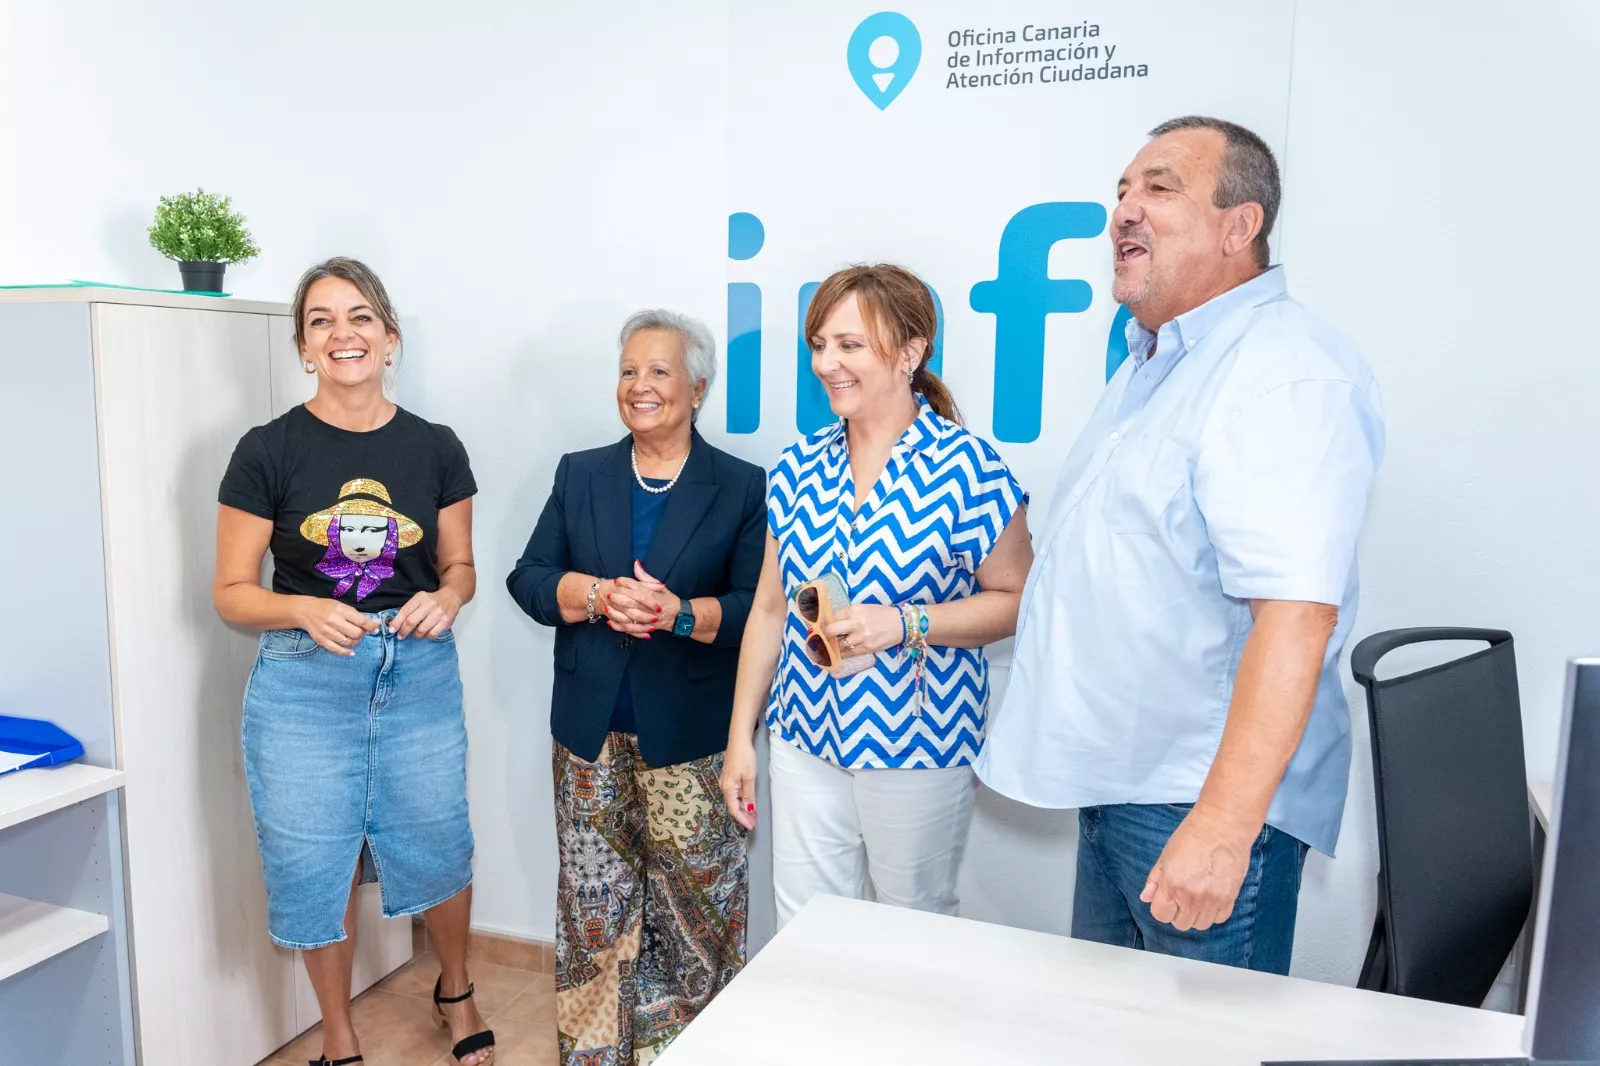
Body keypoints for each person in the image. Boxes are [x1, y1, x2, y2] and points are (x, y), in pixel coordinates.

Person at [978, 116, 1387, 973]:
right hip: (1129, 791)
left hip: (1195, 806)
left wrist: (1223, 826)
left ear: (1241, 226)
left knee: (1198, 1037)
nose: (1125, 209)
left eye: (1159, 188)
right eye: (1122, 190)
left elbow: (1297, 616)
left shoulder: (1281, 371)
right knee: (1114, 1031)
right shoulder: (1157, 365)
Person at [214, 258, 493, 1065]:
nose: (344, 334)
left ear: (390, 338)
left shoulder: (436, 447)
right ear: (303, 346)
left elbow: (461, 568)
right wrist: (301, 607)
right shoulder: (266, 450)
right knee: (314, 859)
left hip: (417, 673)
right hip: (304, 682)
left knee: (438, 840)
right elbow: (232, 593)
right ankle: (338, 1034)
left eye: (361, 316)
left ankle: (456, 988)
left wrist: (448, 597)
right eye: (322, 321)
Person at [720, 264, 1033, 927]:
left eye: (849, 345)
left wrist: (906, 622)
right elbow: (771, 609)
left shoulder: (970, 469)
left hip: (919, 744)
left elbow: (1016, 599)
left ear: (911, 353)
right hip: (804, 737)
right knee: (805, 926)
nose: (826, 363)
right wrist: (741, 737)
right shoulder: (798, 466)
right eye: (819, 345)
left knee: (910, 926)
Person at [506, 309, 763, 1065]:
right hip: (589, 737)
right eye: (628, 370)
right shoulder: (579, 472)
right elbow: (529, 578)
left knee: (695, 919)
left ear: (698, 389)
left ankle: (689, 1054)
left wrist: (679, 613)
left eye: (658, 371)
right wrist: (593, 595)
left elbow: (757, 610)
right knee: (593, 918)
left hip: (692, 740)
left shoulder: (741, 486)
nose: (639, 385)